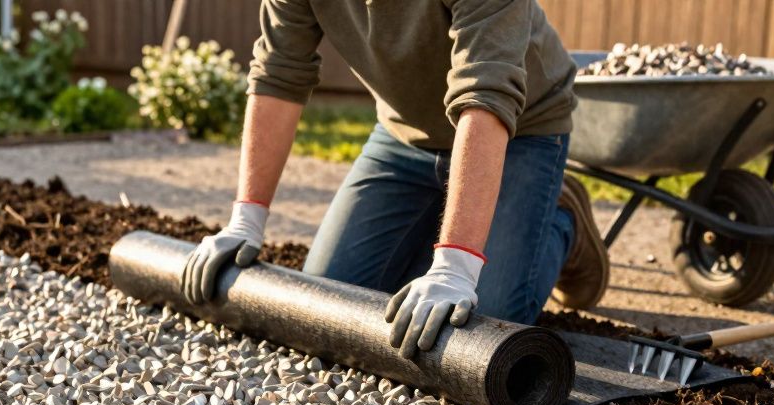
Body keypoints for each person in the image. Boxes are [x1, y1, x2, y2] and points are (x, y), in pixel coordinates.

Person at [180, 0, 609, 358]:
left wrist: (455, 266)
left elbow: (488, 94)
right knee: (327, 302)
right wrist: (246, 219)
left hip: (519, 130)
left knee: (481, 323)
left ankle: (557, 219)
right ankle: (455, 219)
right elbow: (278, 73)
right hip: (403, 135)